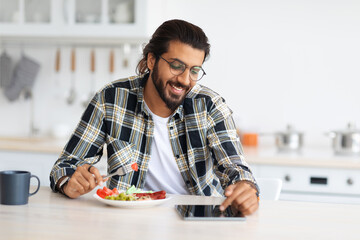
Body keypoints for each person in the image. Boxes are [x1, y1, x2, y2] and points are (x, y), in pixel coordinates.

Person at [50, 19, 259, 215]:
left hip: (195, 220)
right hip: (127, 218)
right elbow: (65, 165)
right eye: (176, 66)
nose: (185, 80)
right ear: (151, 60)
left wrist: (246, 188)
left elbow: (234, 167)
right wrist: (70, 181)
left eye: (194, 70)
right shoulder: (111, 99)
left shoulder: (210, 105)